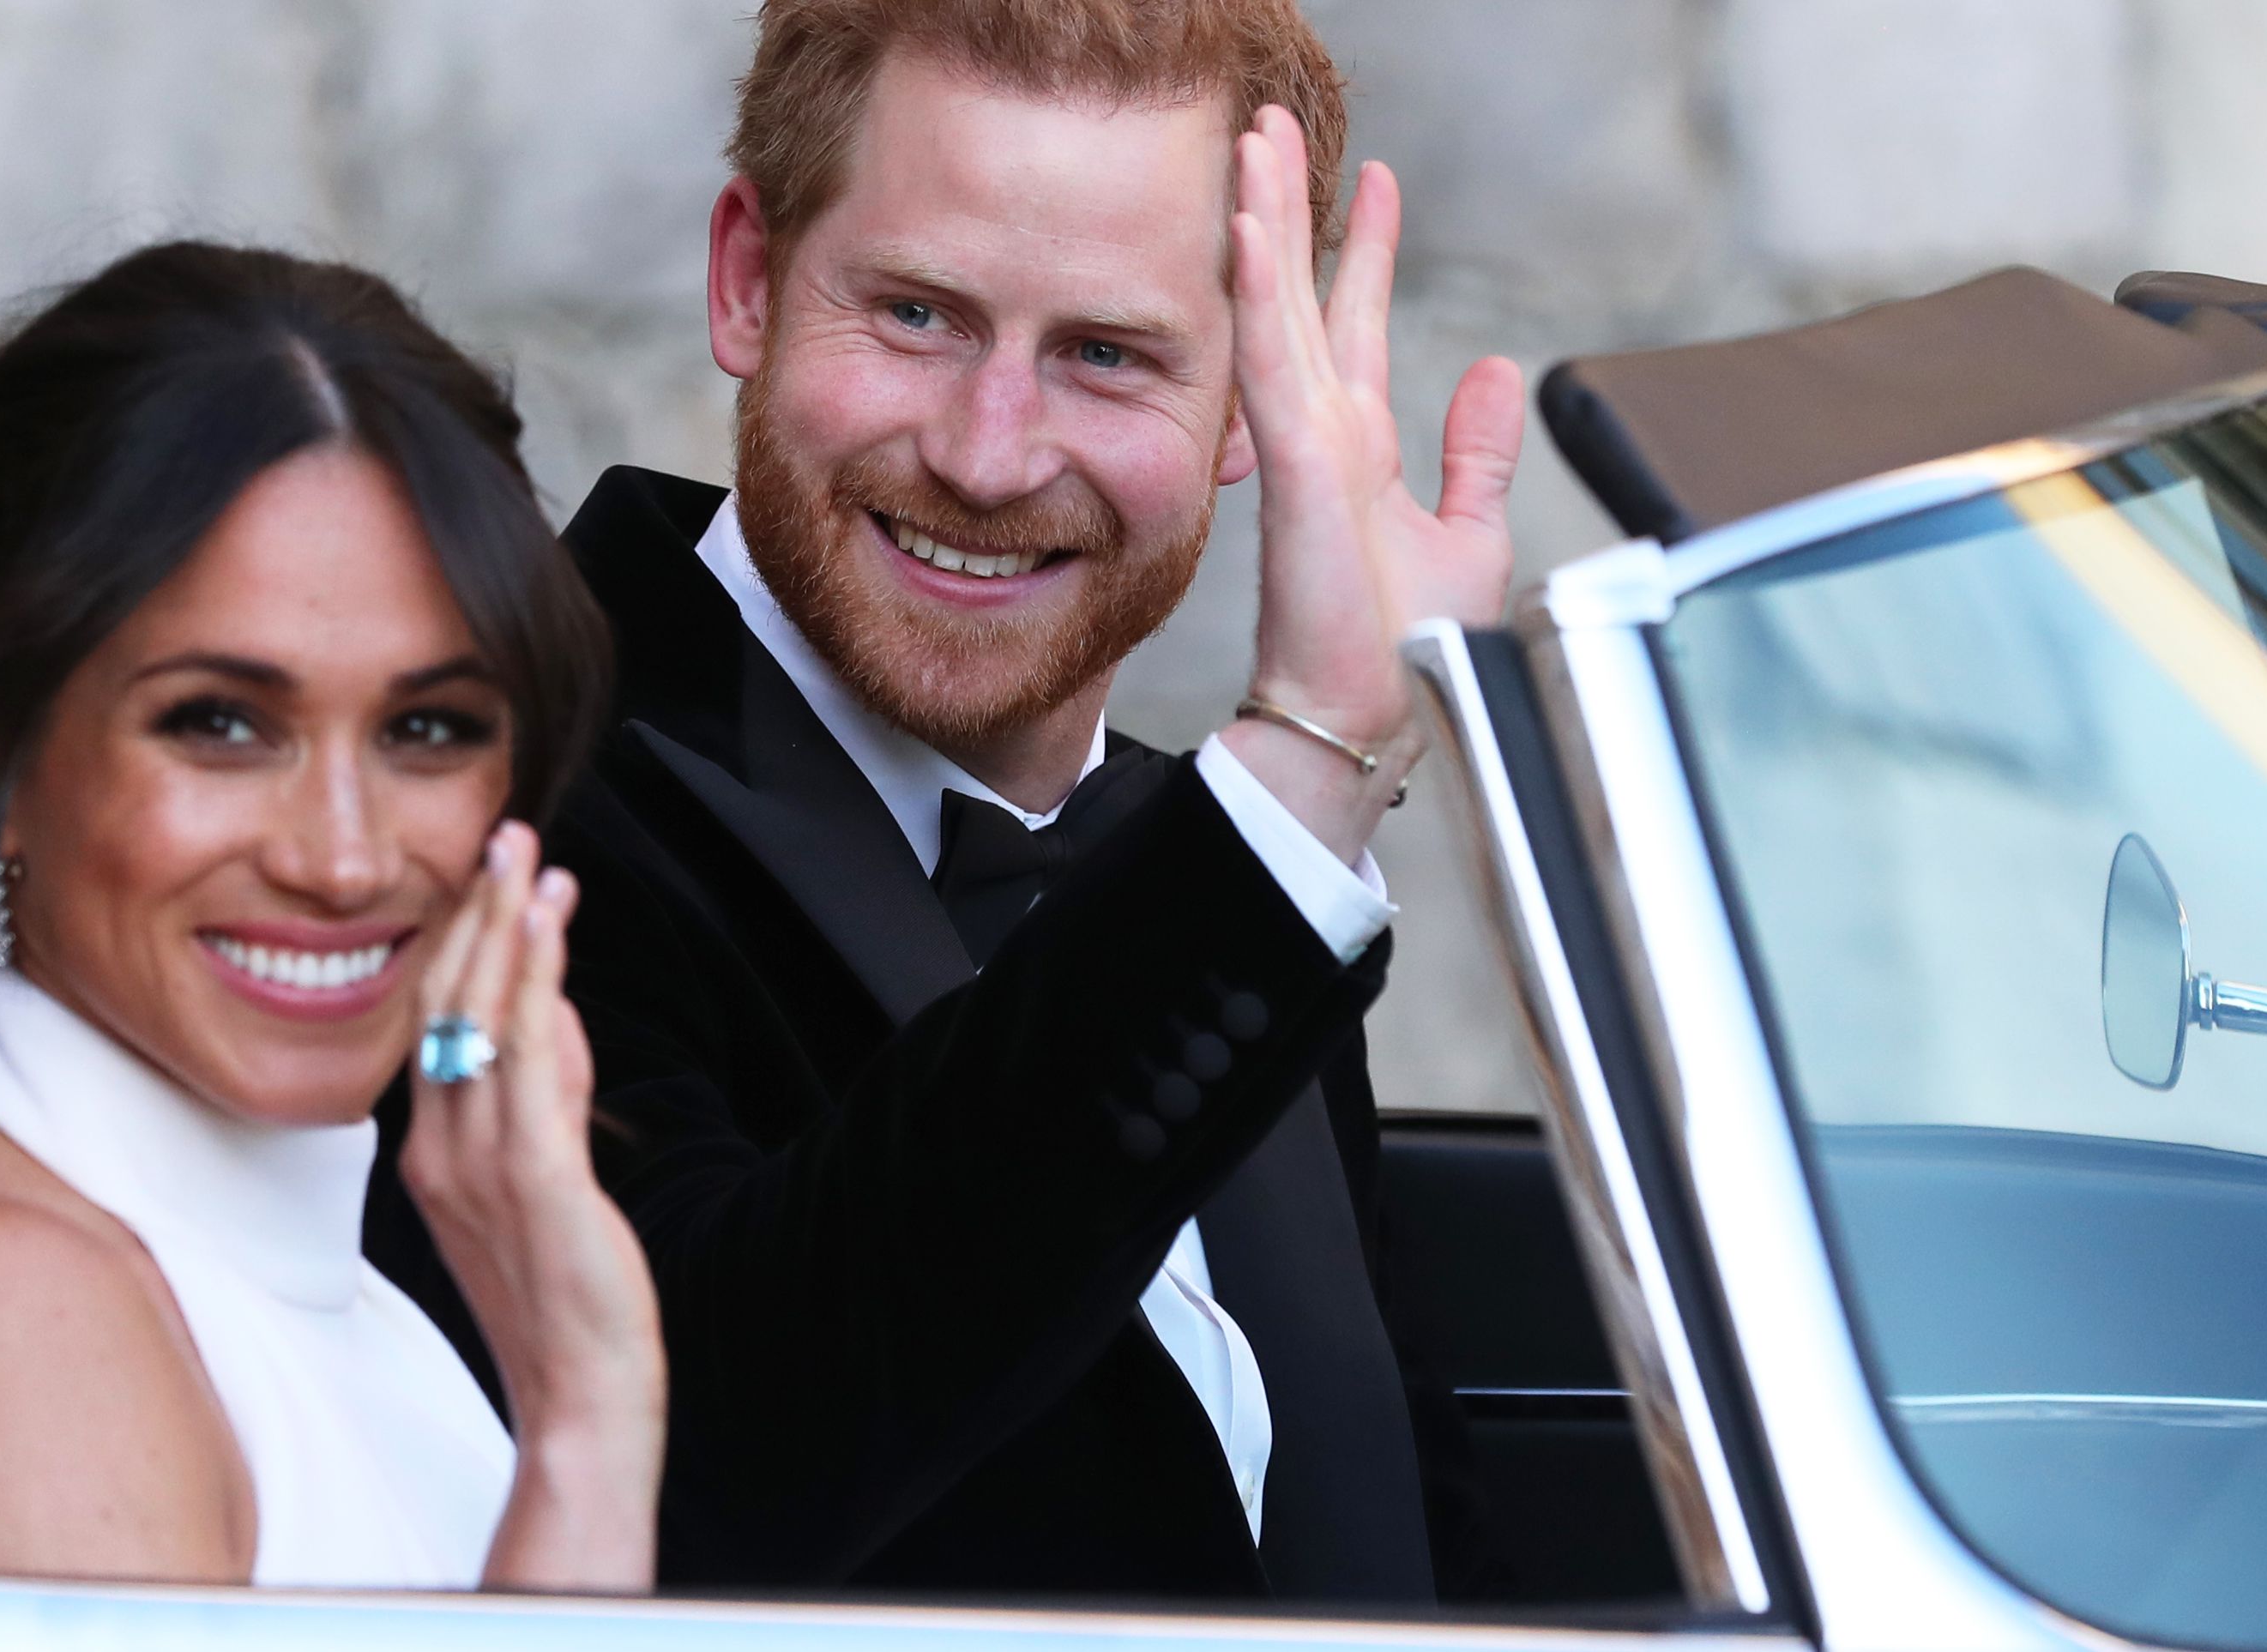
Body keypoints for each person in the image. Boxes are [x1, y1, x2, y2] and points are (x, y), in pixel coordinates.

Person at [361, 0, 1527, 1602]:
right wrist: (1311, 759)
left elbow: (1403, 1550)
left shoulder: (1219, 863)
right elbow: (688, 1463)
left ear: (1258, 399)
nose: (989, 455)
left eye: (1106, 354)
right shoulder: (484, 801)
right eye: (916, 315)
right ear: (749, 281)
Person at [0, 243, 666, 1593]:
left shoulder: (333, 1297)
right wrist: (588, 1432)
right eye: (221, 724)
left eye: (428, 727)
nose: (345, 857)